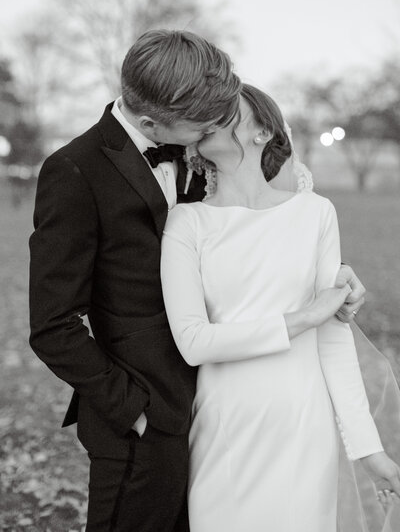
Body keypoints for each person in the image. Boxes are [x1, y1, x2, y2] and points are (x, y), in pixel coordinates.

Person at [29, 30, 366, 532]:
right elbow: (53, 325)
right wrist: (133, 410)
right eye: (205, 124)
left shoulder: (192, 153)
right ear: (151, 122)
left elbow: (246, 233)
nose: (216, 130)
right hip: (143, 424)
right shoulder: (74, 171)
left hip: (220, 406)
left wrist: (328, 274)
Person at [160, 84, 400, 532]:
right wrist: (305, 317)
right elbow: (193, 342)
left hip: (303, 422)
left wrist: (369, 450)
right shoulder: (187, 220)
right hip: (226, 422)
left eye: (228, 110)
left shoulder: (315, 213)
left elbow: (333, 337)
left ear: (263, 131)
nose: (211, 115)